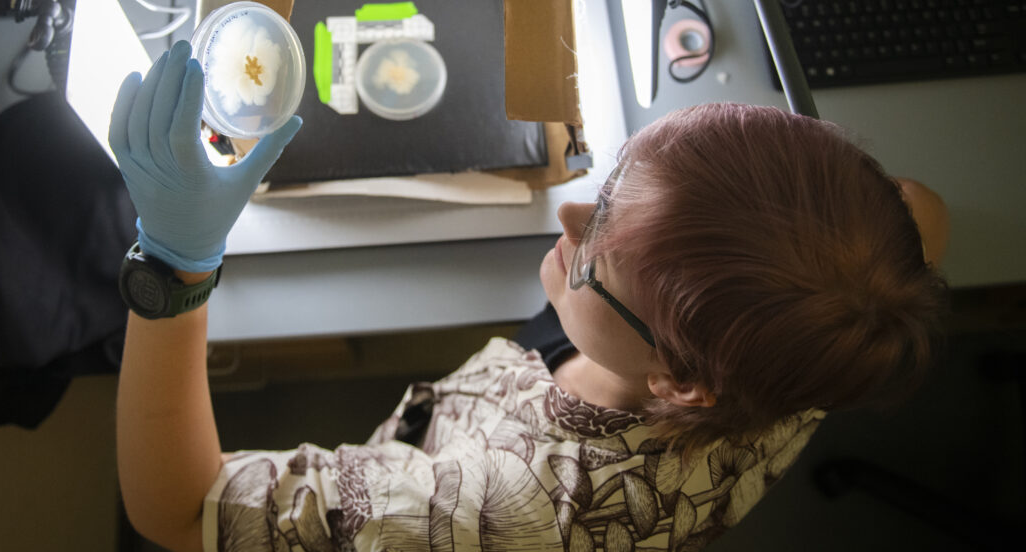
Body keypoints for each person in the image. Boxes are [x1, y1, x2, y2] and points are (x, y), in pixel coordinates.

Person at [110, 40, 949, 552]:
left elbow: (180, 513)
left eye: (600, 256)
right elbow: (919, 207)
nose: (569, 215)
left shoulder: (500, 509)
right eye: (613, 190)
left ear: (681, 381)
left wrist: (176, 267)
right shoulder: (825, 316)